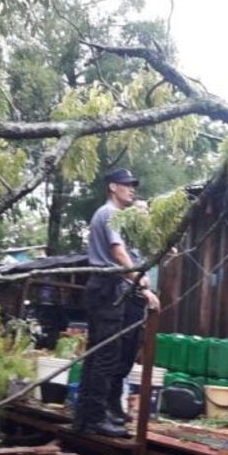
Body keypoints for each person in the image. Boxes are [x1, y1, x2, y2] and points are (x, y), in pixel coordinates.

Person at [74, 168, 160, 438]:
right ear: (112, 187)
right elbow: (118, 252)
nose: (132, 189)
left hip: (116, 288)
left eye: (133, 184)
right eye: (126, 185)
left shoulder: (122, 218)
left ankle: (97, 413)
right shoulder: (109, 213)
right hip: (108, 287)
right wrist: (141, 283)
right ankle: (95, 418)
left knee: (112, 354)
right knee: (105, 355)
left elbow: (131, 250)